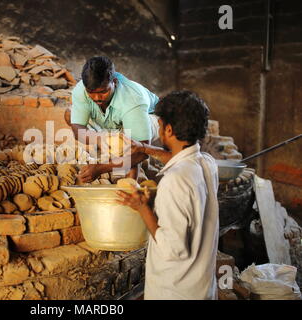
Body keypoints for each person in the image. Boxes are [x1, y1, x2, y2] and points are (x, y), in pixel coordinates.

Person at [116, 90, 220, 300]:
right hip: (201, 287)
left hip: (176, 291)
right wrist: (145, 148)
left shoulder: (174, 180)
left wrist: (142, 208)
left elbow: (174, 249)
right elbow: (179, 158)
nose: (159, 131)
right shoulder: (206, 163)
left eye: (161, 126)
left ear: (169, 129)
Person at [66, 56, 160, 182]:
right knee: (69, 114)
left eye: (103, 92)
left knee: (129, 145)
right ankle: (116, 154)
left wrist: (101, 168)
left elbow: (142, 150)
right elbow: (78, 129)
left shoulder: (132, 99)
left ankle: (132, 179)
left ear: (114, 82)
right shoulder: (81, 90)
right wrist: (99, 139)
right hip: (115, 122)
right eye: (91, 93)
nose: (97, 98)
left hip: (150, 121)